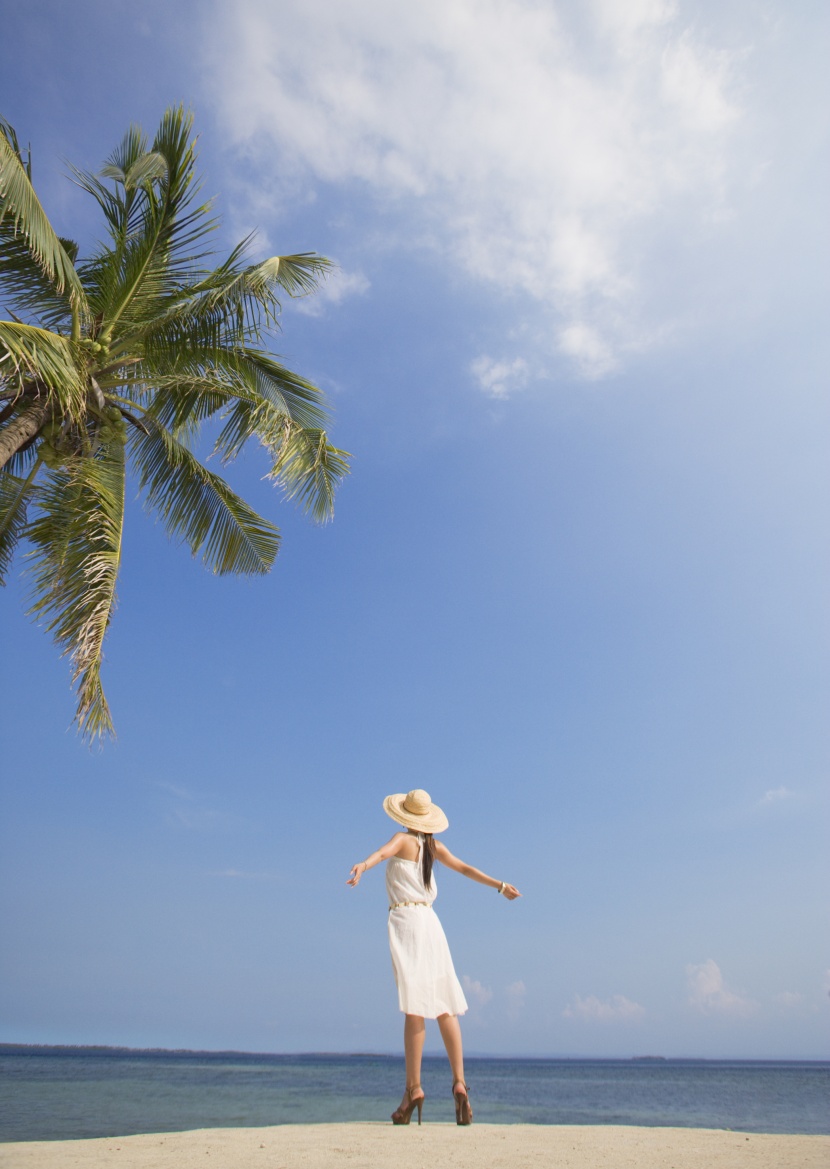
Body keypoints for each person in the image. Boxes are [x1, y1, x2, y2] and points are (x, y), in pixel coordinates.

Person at [347, 788, 521, 1126]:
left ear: (406, 816)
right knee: (444, 1004)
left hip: (407, 920)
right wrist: (501, 886)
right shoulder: (433, 847)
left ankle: (413, 1089)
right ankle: (460, 1084)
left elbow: (382, 854)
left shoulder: (402, 839)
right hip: (432, 923)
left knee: (415, 1006)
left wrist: (362, 866)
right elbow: (466, 869)